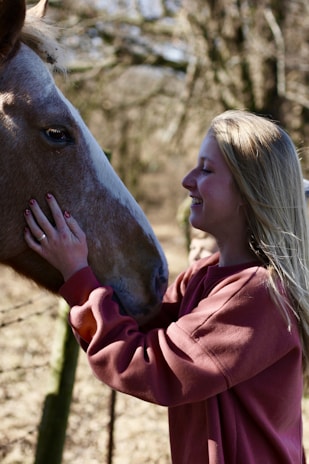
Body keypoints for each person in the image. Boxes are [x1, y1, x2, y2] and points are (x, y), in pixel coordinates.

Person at [23, 110, 309, 464]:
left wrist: (79, 278)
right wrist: (89, 257)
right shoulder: (204, 276)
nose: (187, 180)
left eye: (206, 170)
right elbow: (148, 324)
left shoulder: (258, 294)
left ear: (248, 191)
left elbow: (154, 367)